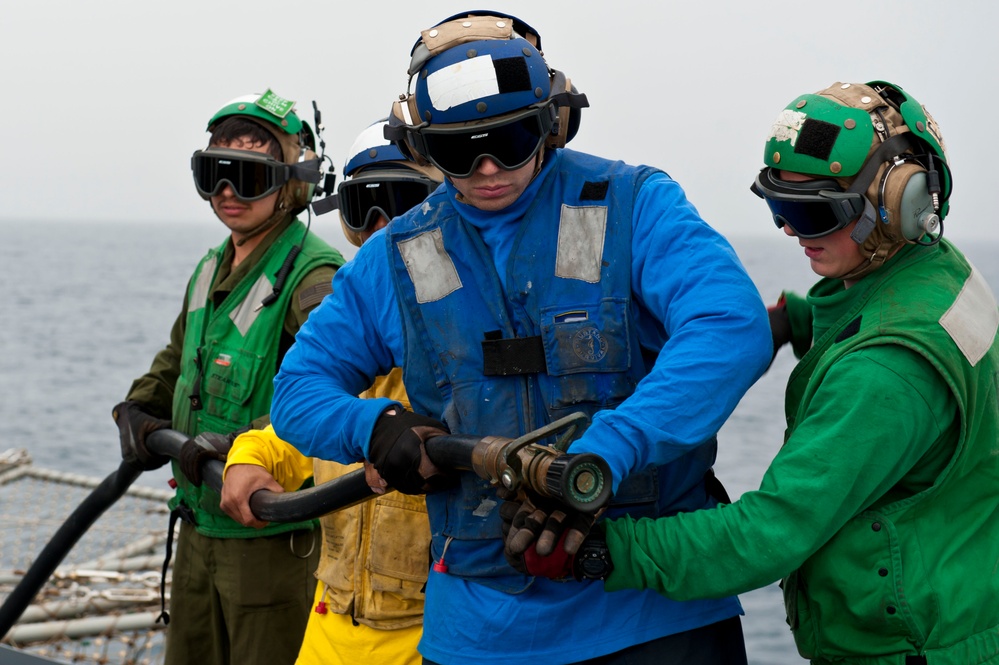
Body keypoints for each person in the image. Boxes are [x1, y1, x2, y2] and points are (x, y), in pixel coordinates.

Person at [270, 12, 772, 665]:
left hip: (653, 615)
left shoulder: (632, 205)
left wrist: (606, 451)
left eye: (509, 140)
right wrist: (378, 428)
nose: (485, 169)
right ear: (422, 148)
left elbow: (729, 326)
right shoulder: (395, 256)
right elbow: (297, 391)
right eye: (458, 151)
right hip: (478, 634)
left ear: (551, 122)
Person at [542, 81, 999, 664]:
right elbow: (865, 314)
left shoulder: (886, 373)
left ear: (900, 203)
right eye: (779, 207)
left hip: (906, 649)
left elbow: (769, 534)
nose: (789, 230)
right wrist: (792, 322)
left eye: (813, 213)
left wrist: (605, 549)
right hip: (964, 607)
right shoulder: (938, 275)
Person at [112, 90, 345, 665]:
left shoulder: (314, 276)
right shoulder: (211, 266)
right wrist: (140, 409)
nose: (226, 193)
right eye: (214, 175)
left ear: (293, 183)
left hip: (268, 547)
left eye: (247, 177)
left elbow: (337, 394)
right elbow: (177, 358)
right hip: (197, 529)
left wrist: (244, 449)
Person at [218, 118, 443, 665]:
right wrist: (245, 458)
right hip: (331, 626)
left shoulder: (468, 356)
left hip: (433, 633)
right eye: (362, 207)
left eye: (402, 203)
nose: (380, 231)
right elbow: (292, 430)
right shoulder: (351, 359)